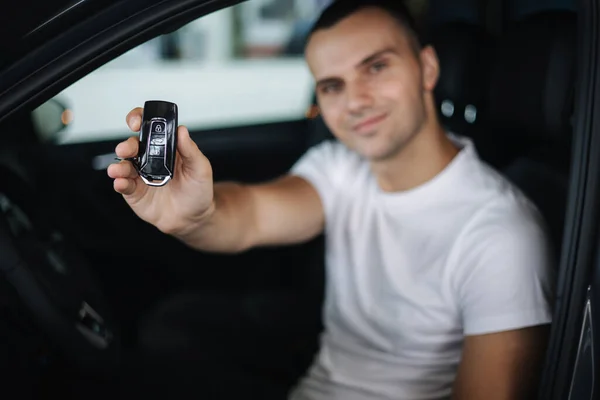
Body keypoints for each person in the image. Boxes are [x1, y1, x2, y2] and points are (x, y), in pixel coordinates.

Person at [107, 0, 556, 399]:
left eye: (376, 67)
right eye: (332, 86)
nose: (356, 101)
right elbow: (249, 216)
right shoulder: (339, 167)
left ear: (428, 68)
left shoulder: (500, 234)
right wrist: (196, 215)